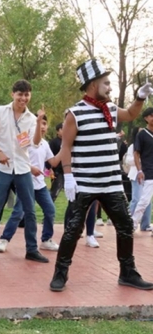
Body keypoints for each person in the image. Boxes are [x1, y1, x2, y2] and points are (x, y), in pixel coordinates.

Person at [50, 59, 153, 292]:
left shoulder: (111, 109)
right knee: (73, 229)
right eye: (106, 83)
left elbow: (131, 114)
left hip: (112, 183)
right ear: (92, 84)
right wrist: (68, 176)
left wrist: (140, 97)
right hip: (84, 183)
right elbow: (65, 147)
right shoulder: (74, 114)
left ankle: (127, 273)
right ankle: (60, 273)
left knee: (125, 226)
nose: (109, 87)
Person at [0, 79, 49, 263]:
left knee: (29, 210)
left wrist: (40, 121)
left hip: (23, 168)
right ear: (13, 94)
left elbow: (34, 143)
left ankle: (31, 249)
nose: (23, 98)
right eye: (20, 94)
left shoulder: (32, 119)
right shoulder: (0, 111)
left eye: (26, 94)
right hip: (2, 168)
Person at [0, 114, 60, 253]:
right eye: (39, 123)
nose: (42, 127)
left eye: (44, 124)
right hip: (25, 182)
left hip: (40, 185)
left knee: (50, 210)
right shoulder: (24, 138)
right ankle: (4, 239)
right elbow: (16, 158)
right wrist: (31, 169)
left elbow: (54, 162)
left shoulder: (45, 144)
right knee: (19, 213)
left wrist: (66, 147)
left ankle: (46, 240)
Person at [129, 108, 153, 232]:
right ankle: (132, 223)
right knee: (144, 200)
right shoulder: (142, 134)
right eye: (151, 116)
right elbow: (136, 154)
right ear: (146, 118)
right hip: (149, 171)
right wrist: (139, 171)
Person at [124, 127, 152, 231]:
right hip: (136, 174)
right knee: (137, 199)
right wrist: (140, 159)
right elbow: (128, 160)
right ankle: (130, 222)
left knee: (147, 201)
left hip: (148, 173)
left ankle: (145, 224)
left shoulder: (149, 143)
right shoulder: (133, 146)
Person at [48, 123, 64, 201]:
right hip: (57, 171)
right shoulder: (53, 142)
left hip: (68, 170)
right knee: (54, 193)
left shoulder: (69, 141)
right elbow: (49, 156)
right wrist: (50, 169)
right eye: (62, 129)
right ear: (57, 131)